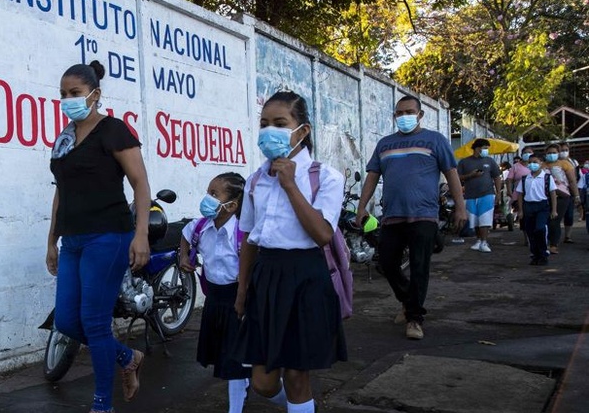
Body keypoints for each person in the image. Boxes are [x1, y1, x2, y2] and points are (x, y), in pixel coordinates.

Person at [46, 60, 151, 413]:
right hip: (73, 240)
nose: (68, 100)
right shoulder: (63, 140)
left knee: (93, 321)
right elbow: (60, 193)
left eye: (74, 93)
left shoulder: (113, 130)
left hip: (108, 236)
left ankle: (102, 405)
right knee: (66, 321)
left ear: (95, 95)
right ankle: (128, 357)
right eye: (63, 94)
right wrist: (52, 242)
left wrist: (141, 236)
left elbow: (140, 183)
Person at [232, 91, 346, 413]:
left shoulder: (326, 177)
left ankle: (301, 405)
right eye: (264, 124)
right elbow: (249, 240)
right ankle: (301, 406)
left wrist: (291, 185)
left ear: (303, 130)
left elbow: (323, 234)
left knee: (297, 375)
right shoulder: (255, 180)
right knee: (264, 383)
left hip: (305, 279)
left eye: (280, 123)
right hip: (266, 278)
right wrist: (242, 290)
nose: (270, 131)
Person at [356, 95, 466, 341]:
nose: (403, 116)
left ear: (420, 114)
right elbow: (372, 176)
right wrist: (361, 207)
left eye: (409, 111)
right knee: (386, 263)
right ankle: (408, 301)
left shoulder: (435, 140)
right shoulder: (385, 145)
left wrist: (460, 206)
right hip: (392, 216)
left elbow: (451, 173)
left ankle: (415, 318)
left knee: (419, 267)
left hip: (424, 215)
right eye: (399, 113)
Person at [178, 172, 251, 413]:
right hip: (215, 299)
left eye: (214, 194)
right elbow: (185, 235)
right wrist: (183, 257)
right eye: (208, 192)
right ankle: (247, 385)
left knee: (234, 360)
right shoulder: (201, 226)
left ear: (231, 205)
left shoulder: (241, 233)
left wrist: (242, 301)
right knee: (227, 356)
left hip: (237, 298)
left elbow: (247, 272)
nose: (207, 199)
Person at [456, 138, 503, 252]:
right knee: (475, 220)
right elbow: (457, 177)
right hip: (470, 195)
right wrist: (471, 175)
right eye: (485, 148)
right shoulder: (464, 162)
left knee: (485, 219)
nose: (486, 150)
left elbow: (497, 177)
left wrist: (498, 193)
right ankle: (478, 240)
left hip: (487, 194)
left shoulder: (490, 161)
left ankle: (484, 242)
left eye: (487, 149)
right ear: (477, 148)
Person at [515, 153, 558, 266]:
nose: (532, 164)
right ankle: (535, 255)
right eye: (530, 162)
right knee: (530, 231)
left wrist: (554, 210)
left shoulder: (547, 178)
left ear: (541, 163)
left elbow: (553, 193)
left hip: (542, 206)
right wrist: (520, 210)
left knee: (540, 229)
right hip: (528, 206)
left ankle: (543, 253)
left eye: (535, 162)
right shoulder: (525, 179)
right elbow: (520, 194)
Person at [543, 143, 580, 254]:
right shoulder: (542, 165)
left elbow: (572, 181)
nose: (551, 155)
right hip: (546, 196)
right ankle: (547, 242)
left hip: (562, 195)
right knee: (547, 221)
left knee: (555, 220)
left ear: (558, 153)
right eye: (549, 153)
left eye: (554, 153)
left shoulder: (565, 164)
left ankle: (553, 245)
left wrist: (576, 195)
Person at [559, 142, 580, 242]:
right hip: (557, 191)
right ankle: (554, 236)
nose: (564, 152)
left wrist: (576, 194)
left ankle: (568, 236)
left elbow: (576, 178)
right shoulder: (554, 163)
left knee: (569, 214)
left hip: (570, 190)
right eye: (561, 150)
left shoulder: (573, 162)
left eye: (566, 150)